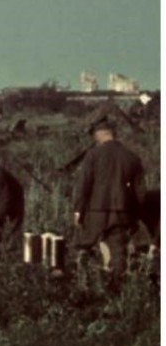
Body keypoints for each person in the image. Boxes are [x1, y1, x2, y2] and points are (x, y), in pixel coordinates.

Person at [73, 118, 144, 277]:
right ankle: (117, 285)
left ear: (99, 136)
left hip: (95, 210)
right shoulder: (132, 157)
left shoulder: (93, 154)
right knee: (118, 250)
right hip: (122, 211)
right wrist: (136, 214)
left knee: (84, 246)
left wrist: (78, 209)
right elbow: (140, 192)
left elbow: (84, 184)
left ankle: (82, 282)